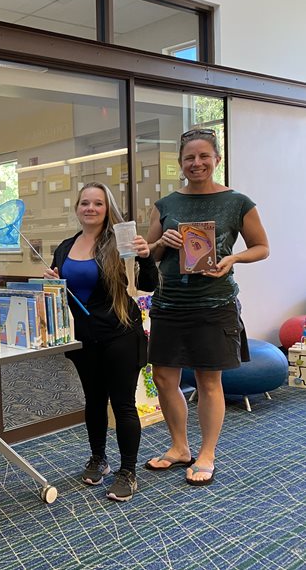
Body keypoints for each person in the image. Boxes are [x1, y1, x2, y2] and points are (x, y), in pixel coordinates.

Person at [144, 128, 269, 486]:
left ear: (217, 159)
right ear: (181, 163)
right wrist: (161, 243)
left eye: (203, 156)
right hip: (169, 303)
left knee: (208, 379)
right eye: (189, 158)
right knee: (164, 377)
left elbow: (262, 247)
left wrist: (233, 259)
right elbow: (148, 252)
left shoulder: (238, 202)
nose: (196, 163)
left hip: (215, 304)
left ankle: (207, 453)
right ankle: (179, 447)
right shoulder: (166, 204)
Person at [45, 182, 158, 501]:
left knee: (122, 405)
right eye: (85, 203)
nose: (90, 208)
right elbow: (63, 294)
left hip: (119, 334)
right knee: (93, 401)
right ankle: (99, 458)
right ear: (77, 208)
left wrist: (146, 257)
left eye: (97, 203)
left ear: (107, 209)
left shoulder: (119, 243)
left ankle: (128, 471)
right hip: (84, 339)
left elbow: (149, 285)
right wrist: (53, 284)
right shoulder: (65, 247)